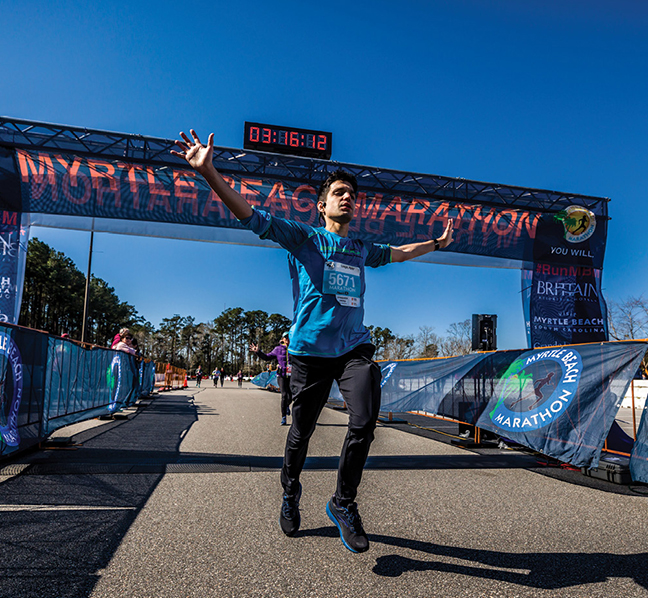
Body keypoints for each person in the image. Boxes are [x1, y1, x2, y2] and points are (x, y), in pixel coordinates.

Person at [172, 129, 454, 554]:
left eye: (352, 196)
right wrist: (209, 171)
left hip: (354, 350)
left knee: (363, 421)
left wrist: (436, 243)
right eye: (340, 193)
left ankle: (343, 503)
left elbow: (401, 251)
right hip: (308, 354)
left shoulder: (361, 248)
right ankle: (290, 491)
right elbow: (250, 216)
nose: (348, 199)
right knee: (301, 433)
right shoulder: (304, 237)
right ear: (322, 205)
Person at [251, 332, 292, 425]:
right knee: (284, 395)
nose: (287, 339)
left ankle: (286, 406)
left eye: (289, 337)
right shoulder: (278, 349)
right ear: (282, 339)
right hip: (281, 376)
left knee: (291, 396)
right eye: (286, 337)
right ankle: (283, 417)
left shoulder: (294, 348)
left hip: (292, 376)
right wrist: (258, 351)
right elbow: (266, 357)